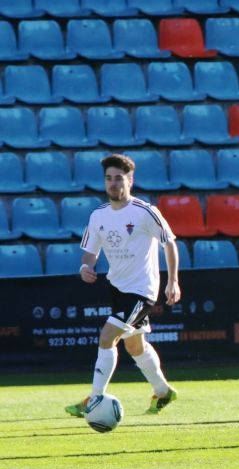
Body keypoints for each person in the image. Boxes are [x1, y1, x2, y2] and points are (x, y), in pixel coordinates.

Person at [65, 154, 180, 418]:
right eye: (109, 178)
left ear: (130, 180)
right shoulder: (98, 216)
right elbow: (89, 251)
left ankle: (93, 399)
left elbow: (169, 243)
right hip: (118, 287)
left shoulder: (145, 211)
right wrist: (86, 267)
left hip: (143, 290)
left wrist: (173, 281)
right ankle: (163, 391)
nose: (113, 183)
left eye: (119, 178)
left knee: (108, 337)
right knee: (134, 346)